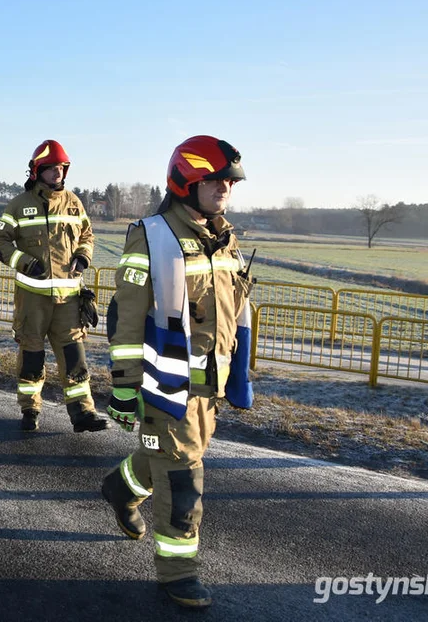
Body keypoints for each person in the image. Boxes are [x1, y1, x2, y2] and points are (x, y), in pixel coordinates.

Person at [100, 135, 253, 609]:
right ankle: (177, 572)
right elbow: (126, 320)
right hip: (164, 385)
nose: (225, 187)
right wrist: (124, 387)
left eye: (230, 180)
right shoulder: (151, 234)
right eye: (216, 179)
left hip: (210, 385)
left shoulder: (225, 239)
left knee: (170, 455)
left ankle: (120, 487)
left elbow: (240, 310)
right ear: (187, 180)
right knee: (183, 478)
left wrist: (242, 372)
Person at [0, 140, 108, 433]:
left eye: (61, 168)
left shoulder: (74, 202)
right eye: (52, 168)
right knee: (32, 356)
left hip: (69, 299)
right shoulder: (18, 205)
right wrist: (25, 262)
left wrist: (83, 256)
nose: (58, 173)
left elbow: (87, 236)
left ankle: (82, 413)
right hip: (32, 299)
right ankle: (30, 409)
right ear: (37, 170)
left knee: (74, 357)